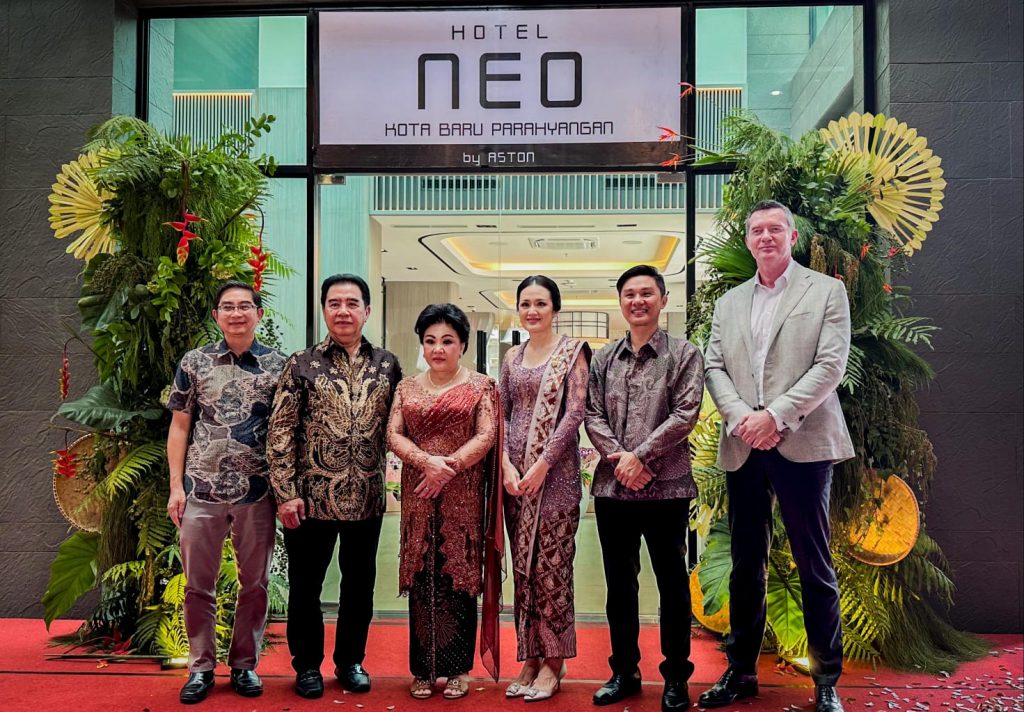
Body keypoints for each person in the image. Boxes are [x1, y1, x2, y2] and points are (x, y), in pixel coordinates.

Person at [701, 200, 854, 712]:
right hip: (744, 443)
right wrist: (743, 417)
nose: (765, 236)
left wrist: (776, 416)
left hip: (804, 443)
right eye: (756, 230)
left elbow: (830, 365)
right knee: (746, 564)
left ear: (792, 236)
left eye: (775, 229)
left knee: (814, 563)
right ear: (748, 240)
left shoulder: (826, 291)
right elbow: (715, 366)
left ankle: (826, 679)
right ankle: (741, 671)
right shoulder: (729, 302)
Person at [267, 274, 402, 700]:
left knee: (359, 586)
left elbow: (399, 427)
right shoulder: (301, 363)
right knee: (306, 587)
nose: (343, 311)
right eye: (334, 303)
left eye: (351, 303)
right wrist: (286, 493)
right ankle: (307, 665)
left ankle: (350, 662)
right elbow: (281, 431)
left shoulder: (387, 365)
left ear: (367, 310)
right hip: (310, 499)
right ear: (324, 309)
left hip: (366, 498)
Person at [584, 265, 704, 712]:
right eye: (630, 294)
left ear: (663, 300)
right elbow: (591, 414)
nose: (638, 301)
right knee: (619, 586)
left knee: (672, 585)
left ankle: (676, 676)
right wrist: (621, 460)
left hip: (667, 488)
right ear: (620, 302)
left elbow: (685, 413)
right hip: (614, 490)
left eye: (647, 293)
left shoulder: (684, 354)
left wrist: (640, 457)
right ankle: (624, 672)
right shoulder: (603, 358)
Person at [166, 280, 287, 704]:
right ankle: (200, 667)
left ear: (259, 313)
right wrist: (176, 486)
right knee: (198, 585)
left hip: (258, 491)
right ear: (217, 315)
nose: (237, 313)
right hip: (201, 489)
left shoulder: (279, 366)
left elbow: (286, 431)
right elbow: (180, 426)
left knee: (255, 584)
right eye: (228, 307)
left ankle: (244, 665)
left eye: (245, 306)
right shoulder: (195, 362)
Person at [386, 303, 503, 701]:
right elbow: (393, 434)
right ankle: (422, 669)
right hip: (420, 494)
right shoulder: (406, 387)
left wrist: (448, 467)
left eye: (447, 341)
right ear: (422, 344)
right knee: (422, 575)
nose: (438, 349)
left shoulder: (481, 386)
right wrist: (426, 463)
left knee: (458, 577)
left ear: (463, 345)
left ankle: (457, 669)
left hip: (462, 495)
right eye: (430, 340)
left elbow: (486, 435)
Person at [500, 275, 591, 703]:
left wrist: (542, 464)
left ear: (555, 308)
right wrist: (505, 464)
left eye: (540, 303)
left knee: (552, 571)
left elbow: (575, 414)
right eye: (525, 304)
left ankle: (555, 662)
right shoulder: (512, 356)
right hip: (515, 482)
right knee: (524, 573)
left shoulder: (572, 352)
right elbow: (501, 412)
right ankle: (531, 657)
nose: (532, 311)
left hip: (556, 479)